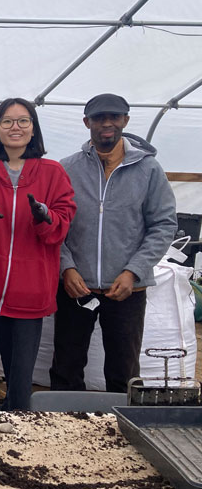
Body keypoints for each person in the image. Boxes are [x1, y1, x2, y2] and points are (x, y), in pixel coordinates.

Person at [0, 98, 76, 411]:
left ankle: (16, 450)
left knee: (20, 386)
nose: (15, 127)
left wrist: (44, 218)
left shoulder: (53, 173)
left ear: (34, 129)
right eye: (7, 121)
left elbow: (61, 226)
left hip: (28, 297)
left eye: (23, 121)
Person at [51, 93, 177, 393]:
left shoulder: (149, 170)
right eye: (98, 118)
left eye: (114, 117)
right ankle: (66, 432)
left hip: (127, 290)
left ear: (126, 120)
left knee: (124, 372)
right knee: (66, 369)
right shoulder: (66, 169)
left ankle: (124, 433)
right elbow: (54, 226)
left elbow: (163, 225)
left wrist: (133, 272)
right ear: (87, 123)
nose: (107, 123)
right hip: (75, 288)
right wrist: (66, 268)